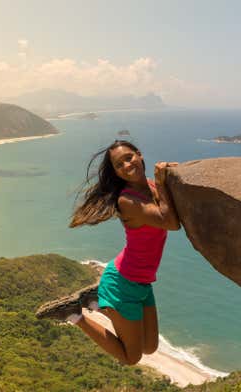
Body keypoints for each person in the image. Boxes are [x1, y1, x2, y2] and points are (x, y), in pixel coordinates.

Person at [36, 140, 181, 365]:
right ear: (116, 172)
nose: (126, 164)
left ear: (140, 155)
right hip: (123, 284)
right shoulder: (127, 200)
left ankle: (96, 301)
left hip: (141, 282)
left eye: (129, 157)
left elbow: (170, 207)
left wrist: (169, 176)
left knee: (150, 347)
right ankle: (74, 314)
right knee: (131, 357)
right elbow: (170, 222)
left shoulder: (151, 187)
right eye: (118, 164)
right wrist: (163, 181)